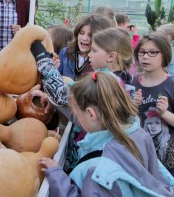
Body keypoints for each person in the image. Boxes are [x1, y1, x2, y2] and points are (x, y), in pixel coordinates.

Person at [28, 42, 174, 195]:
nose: (75, 117)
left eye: (76, 113)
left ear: (91, 114)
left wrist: (57, 175)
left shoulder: (98, 171)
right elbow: (156, 175)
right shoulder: (137, 133)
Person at [132, 32, 174, 174]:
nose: (145, 56)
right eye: (142, 52)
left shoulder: (171, 84)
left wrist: (164, 113)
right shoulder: (134, 81)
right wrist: (131, 106)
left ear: (165, 55)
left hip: (167, 158)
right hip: (139, 155)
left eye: (152, 53)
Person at [58, 14, 116, 81]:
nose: (84, 38)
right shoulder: (65, 52)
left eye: (90, 35)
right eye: (82, 33)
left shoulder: (99, 61)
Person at [88, 27, 135, 95]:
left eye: (94, 51)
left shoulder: (103, 83)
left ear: (111, 56)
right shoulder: (130, 80)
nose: (89, 54)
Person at [143, 107, 174, 174]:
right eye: (150, 123)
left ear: (162, 125)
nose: (153, 126)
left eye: (157, 123)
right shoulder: (145, 139)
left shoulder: (169, 142)